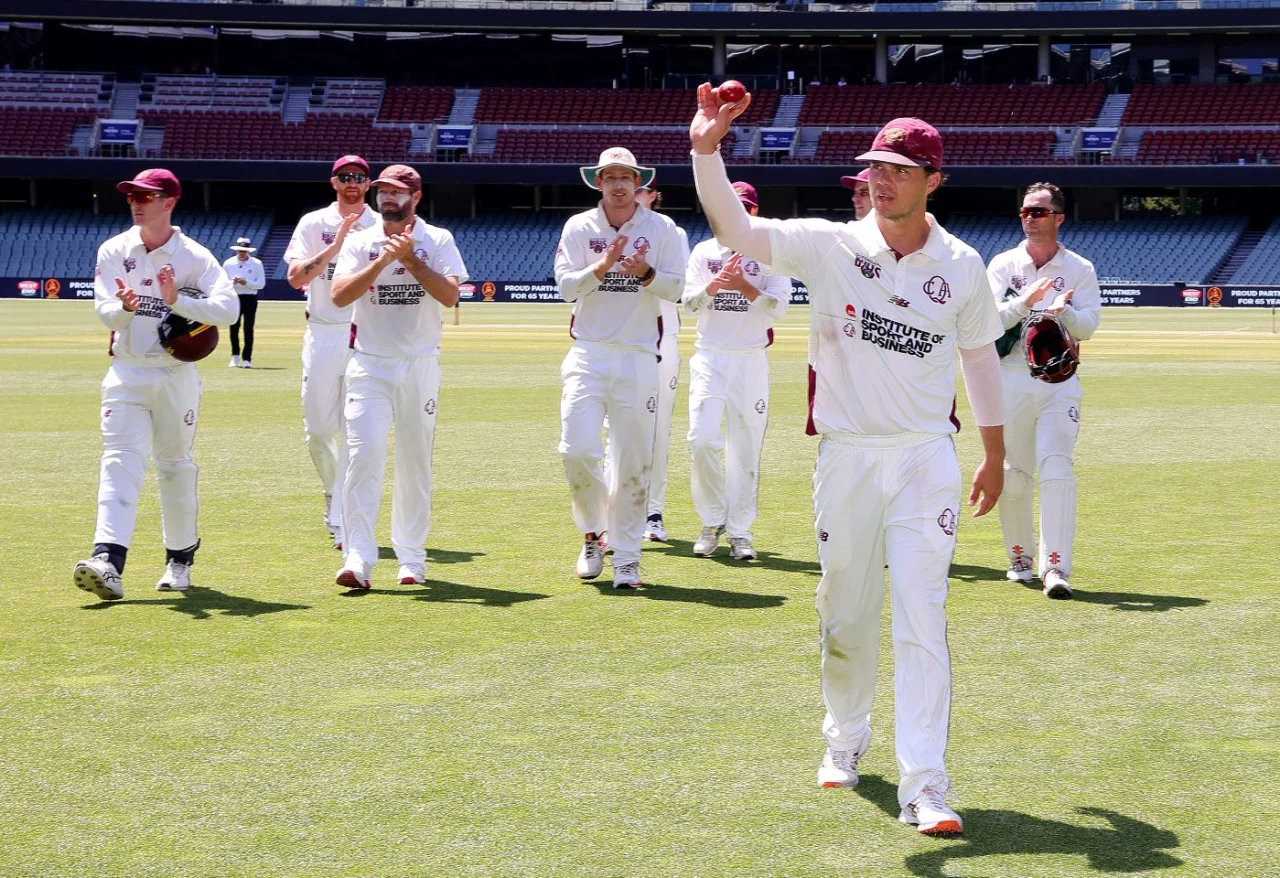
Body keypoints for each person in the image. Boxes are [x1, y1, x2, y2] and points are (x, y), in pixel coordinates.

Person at [691, 91, 1007, 836]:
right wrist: (707, 150)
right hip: (847, 457)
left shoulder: (961, 266)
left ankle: (926, 784)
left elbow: (980, 363)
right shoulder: (828, 245)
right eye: (875, 167)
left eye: (900, 168)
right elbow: (735, 225)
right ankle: (845, 736)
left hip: (925, 457)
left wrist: (994, 455)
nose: (883, 179)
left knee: (924, 617)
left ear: (934, 179)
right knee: (847, 612)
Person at [72, 169, 240, 600]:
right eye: (132, 195)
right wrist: (125, 309)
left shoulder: (194, 256)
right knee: (118, 461)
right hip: (126, 372)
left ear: (169, 202)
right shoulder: (114, 249)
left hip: (174, 375)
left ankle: (180, 558)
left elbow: (229, 308)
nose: (136, 202)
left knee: (173, 466)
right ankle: (107, 560)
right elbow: (106, 315)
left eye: (146, 196)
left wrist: (177, 300)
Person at [553, 147, 686, 589]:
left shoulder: (662, 228)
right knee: (576, 451)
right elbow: (566, 288)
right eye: (609, 176)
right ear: (598, 183)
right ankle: (593, 534)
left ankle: (627, 559)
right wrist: (602, 266)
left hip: (638, 355)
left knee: (633, 462)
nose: (617, 184)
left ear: (638, 182)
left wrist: (647, 273)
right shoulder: (579, 227)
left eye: (625, 176)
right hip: (588, 352)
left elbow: (679, 288)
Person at [330, 165, 467, 590]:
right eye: (383, 191)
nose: (387, 198)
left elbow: (450, 296)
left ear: (416, 197)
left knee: (413, 463)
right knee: (363, 457)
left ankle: (411, 558)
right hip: (369, 363)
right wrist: (382, 262)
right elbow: (338, 297)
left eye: (396, 192)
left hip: (419, 363)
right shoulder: (360, 240)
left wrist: (410, 260)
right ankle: (359, 558)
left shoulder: (438, 239)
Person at [986, 182, 1101, 599]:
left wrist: (1064, 311)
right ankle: (1020, 558)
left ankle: (1056, 568)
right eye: (1025, 212)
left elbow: (1089, 326)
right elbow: (989, 320)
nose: (1029, 218)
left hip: (1059, 382)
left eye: (1038, 211)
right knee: (1014, 475)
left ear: (1058, 218)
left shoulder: (1080, 268)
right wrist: (1024, 305)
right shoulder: (1003, 264)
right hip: (1011, 376)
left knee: (1057, 467)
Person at [682, 181, 792, 560]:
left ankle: (741, 532)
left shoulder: (770, 254)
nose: (736, 214)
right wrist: (714, 285)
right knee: (701, 438)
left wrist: (745, 286)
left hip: (750, 359)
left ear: (754, 212)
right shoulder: (703, 251)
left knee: (745, 447)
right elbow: (689, 305)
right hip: (710, 356)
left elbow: (778, 308)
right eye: (730, 207)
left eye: (744, 208)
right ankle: (711, 521)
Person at [284, 155, 379, 550]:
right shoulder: (313, 223)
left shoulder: (380, 223)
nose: (352, 183)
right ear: (334, 182)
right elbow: (294, 278)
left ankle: (346, 514)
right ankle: (331, 491)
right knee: (320, 430)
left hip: (367, 337)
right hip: (323, 331)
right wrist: (336, 245)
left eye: (359, 177)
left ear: (369, 184)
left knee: (358, 431)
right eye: (345, 177)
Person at [634, 175, 691, 543]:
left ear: (655, 195)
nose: (637, 196)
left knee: (657, 430)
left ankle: (653, 513)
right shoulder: (602, 230)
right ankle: (615, 516)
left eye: (642, 190)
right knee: (618, 431)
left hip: (663, 338)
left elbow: (679, 288)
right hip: (621, 339)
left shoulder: (672, 233)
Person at [223, 236, 265, 368]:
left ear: (248, 251)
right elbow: (223, 283)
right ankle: (234, 356)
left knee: (248, 328)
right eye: (240, 251)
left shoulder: (256, 264)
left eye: (244, 251)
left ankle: (247, 358)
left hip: (250, 298)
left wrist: (246, 283)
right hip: (235, 297)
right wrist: (233, 282)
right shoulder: (229, 263)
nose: (242, 253)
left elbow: (261, 284)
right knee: (233, 327)